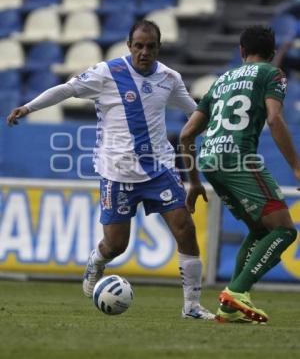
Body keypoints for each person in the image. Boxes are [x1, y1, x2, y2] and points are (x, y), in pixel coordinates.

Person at [7, 20, 214, 320]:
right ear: (129, 46)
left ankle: (192, 306)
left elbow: (193, 111)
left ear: (159, 48)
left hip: (160, 169)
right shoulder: (107, 73)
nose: (144, 52)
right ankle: (97, 261)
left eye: (150, 47)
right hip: (117, 173)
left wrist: (216, 120)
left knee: (185, 228)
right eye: (139, 46)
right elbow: (66, 90)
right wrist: (28, 107)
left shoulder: (169, 78)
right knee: (116, 244)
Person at [180, 25, 299, 324]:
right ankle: (237, 291)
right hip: (239, 157)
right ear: (272, 54)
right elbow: (274, 118)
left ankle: (230, 307)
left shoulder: (221, 81)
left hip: (210, 161)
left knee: (261, 231)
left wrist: (194, 183)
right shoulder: (272, 74)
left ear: (242, 51)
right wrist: (297, 166)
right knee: (284, 229)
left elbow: (185, 135)